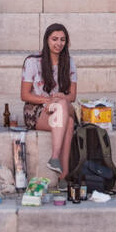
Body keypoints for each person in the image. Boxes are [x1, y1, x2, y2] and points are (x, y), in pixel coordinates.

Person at [21, 24, 79, 180]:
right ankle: (62, 171)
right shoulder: (33, 62)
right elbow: (24, 95)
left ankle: (58, 164)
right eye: (54, 39)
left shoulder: (69, 62)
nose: (58, 43)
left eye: (62, 40)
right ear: (46, 40)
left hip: (60, 108)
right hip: (36, 110)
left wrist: (59, 99)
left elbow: (72, 96)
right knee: (70, 122)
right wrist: (47, 100)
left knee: (63, 107)